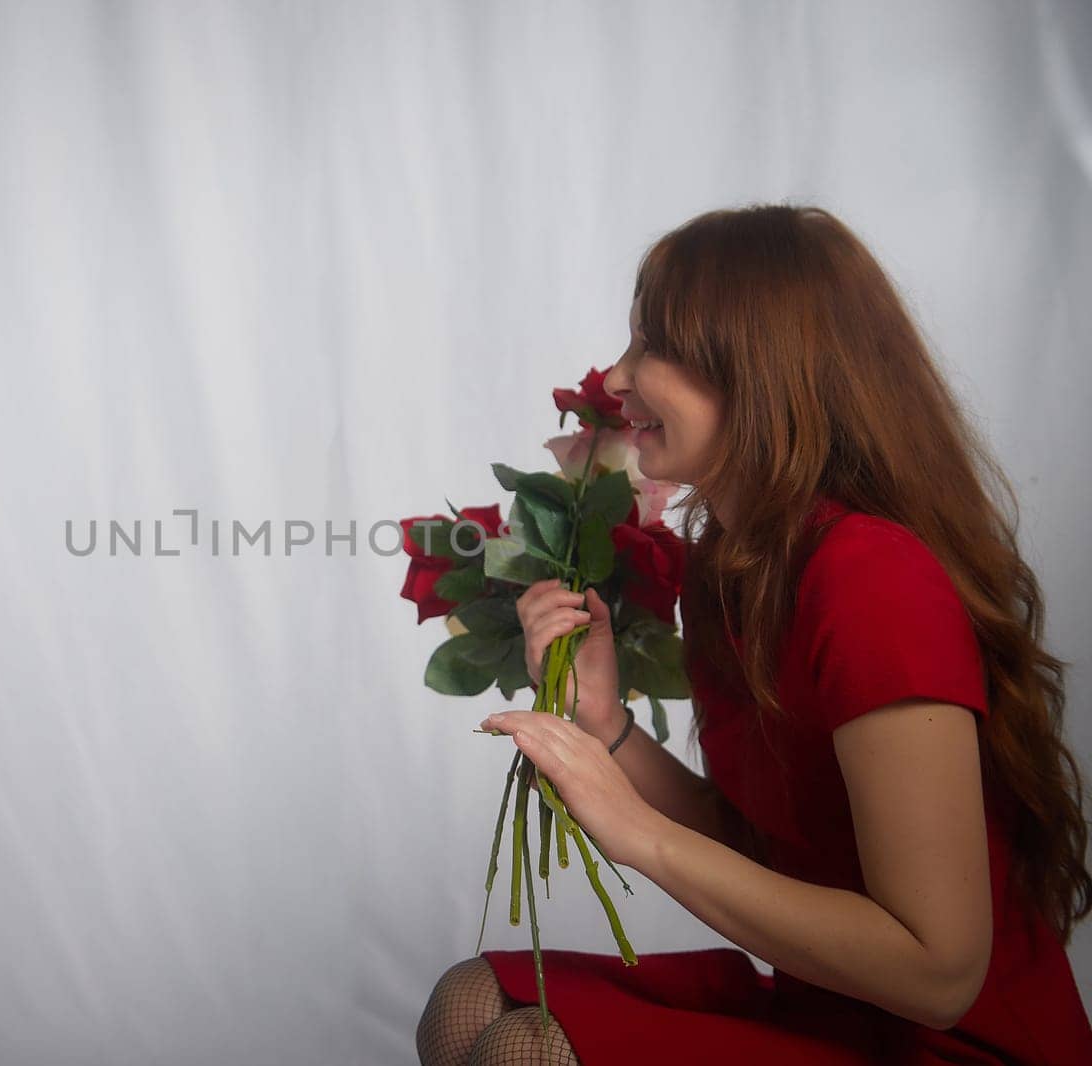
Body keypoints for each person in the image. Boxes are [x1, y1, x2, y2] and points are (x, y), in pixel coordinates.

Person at [417, 205, 1092, 1065]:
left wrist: (637, 833)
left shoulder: (870, 576)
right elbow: (758, 845)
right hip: (829, 999)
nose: (618, 379)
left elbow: (937, 975)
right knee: (471, 1001)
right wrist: (603, 720)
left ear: (757, 368)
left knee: (528, 1052)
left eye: (650, 345)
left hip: (944, 1037)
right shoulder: (735, 568)